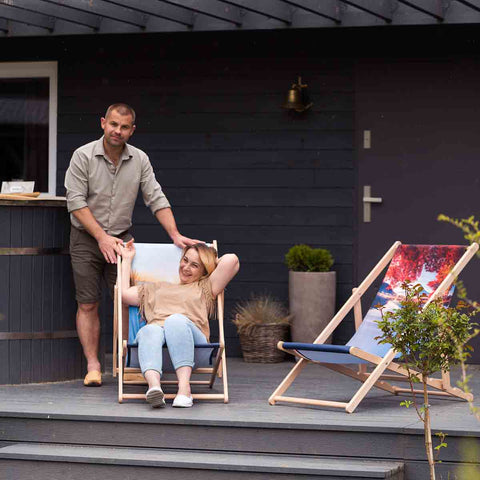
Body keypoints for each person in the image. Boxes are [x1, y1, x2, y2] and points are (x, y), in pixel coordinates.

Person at [65, 103, 198, 387]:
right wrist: (101, 237)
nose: (118, 131)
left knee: (127, 303)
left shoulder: (139, 159)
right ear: (103, 123)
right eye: (113, 124)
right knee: (88, 303)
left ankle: (128, 363)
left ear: (132, 130)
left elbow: (156, 198)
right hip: (87, 239)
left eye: (125, 127)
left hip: (123, 242)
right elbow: (75, 202)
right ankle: (93, 366)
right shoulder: (82, 156)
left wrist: (175, 235)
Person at [119, 241, 239, 408]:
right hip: (156, 350)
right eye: (185, 260)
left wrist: (211, 261)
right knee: (149, 330)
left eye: (195, 265)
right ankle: (154, 388)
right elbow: (123, 295)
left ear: (204, 270)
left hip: (194, 349)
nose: (186, 267)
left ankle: (184, 389)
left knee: (175, 320)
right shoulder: (155, 288)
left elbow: (232, 260)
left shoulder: (205, 288)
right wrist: (126, 259)